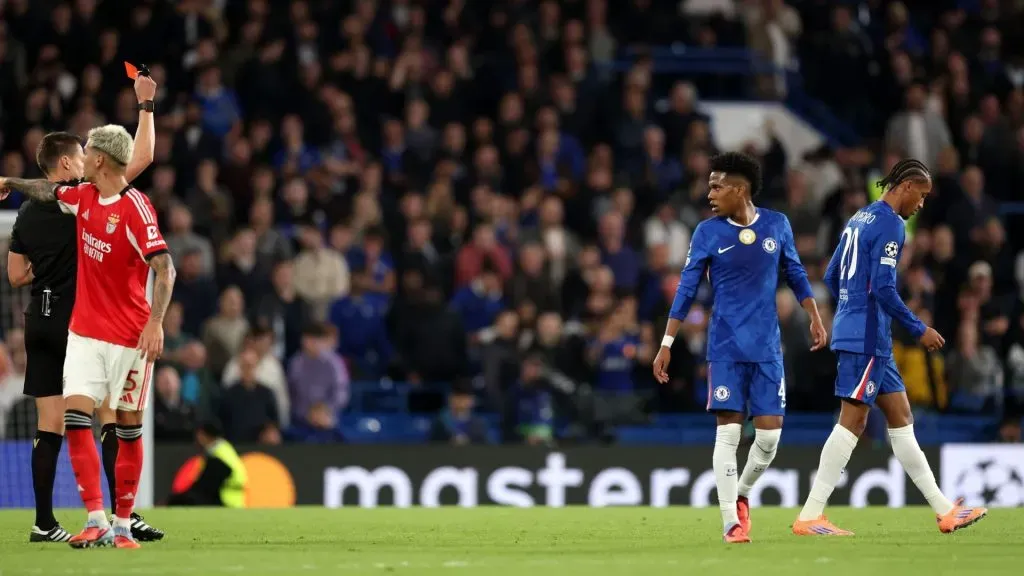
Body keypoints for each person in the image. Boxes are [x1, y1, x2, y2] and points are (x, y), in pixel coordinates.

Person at [4, 73, 165, 543]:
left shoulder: (33, 209)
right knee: (109, 417)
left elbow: (15, 275)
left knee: (52, 423)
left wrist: (10, 183)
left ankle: (45, 521)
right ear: (69, 162)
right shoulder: (90, 194)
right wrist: (146, 106)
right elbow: (140, 158)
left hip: (42, 318)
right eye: (80, 154)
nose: (86, 159)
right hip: (87, 323)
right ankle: (116, 514)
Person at [793, 159, 987, 536]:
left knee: (901, 418)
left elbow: (832, 274)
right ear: (907, 186)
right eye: (922, 195)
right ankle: (810, 515)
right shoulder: (891, 224)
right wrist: (918, 328)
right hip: (866, 336)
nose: (922, 204)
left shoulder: (860, 217)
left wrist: (850, 306)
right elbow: (883, 288)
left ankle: (945, 510)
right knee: (853, 420)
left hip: (867, 333)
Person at [652, 152, 827, 544]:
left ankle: (743, 492)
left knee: (768, 439)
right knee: (728, 434)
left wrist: (814, 315)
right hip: (726, 346)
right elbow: (686, 288)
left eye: (717, 186)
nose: (710, 193)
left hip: (767, 348)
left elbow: (796, 272)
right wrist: (667, 342)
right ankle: (730, 521)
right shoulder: (707, 232)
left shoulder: (777, 225)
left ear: (740, 189)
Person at [167, 420, 247, 508]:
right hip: (233, 501)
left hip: (226, 501)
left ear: (202, 434)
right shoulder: (223, 449)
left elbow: (207, 487)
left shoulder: (218, 456)